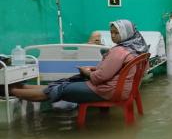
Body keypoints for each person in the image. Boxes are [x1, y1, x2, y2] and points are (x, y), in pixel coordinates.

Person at [11, 20, 149, 103]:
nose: (112, 36)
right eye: (111, 32)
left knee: (59, 89)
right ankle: (16, 89)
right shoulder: (138, 48)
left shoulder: (119, 51)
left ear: (127, 33)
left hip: (108, 90)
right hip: (123, 89)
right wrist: (94, 70)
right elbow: (117, 71)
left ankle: (12, 92)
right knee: (62, 83)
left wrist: (87, 72)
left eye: (116, 33)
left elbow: (99, 78)